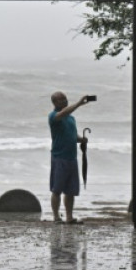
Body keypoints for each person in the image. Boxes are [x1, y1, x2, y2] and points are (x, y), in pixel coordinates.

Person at [48, 92, 91, 224]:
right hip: (59, 157)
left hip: (72, 157)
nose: (64, 101)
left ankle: (69, 217)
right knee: (57, 189)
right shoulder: (53, 116)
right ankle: (56, 216)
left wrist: (81, 140)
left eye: (65, 98)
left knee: (70, 190)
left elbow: (72, 136)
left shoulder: (71, 119)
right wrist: (79, 103)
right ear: (54, 103)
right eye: (60, 99)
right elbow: (62, 114)